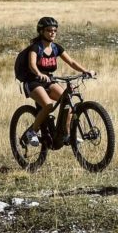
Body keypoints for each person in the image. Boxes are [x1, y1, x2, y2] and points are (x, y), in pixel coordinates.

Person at [20, 17, 94, 147]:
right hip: (33, 81)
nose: (52, 33)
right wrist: (39, 74)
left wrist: (85, 71)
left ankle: (66, 135)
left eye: (55, 30)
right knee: (48, 105)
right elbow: (32, 65)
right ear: (41, 31)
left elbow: (71, 62)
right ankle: (32, 132)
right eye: (49, 30)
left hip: (49, 80)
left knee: (68, 100)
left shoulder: (56, 48)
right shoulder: (35, 48)